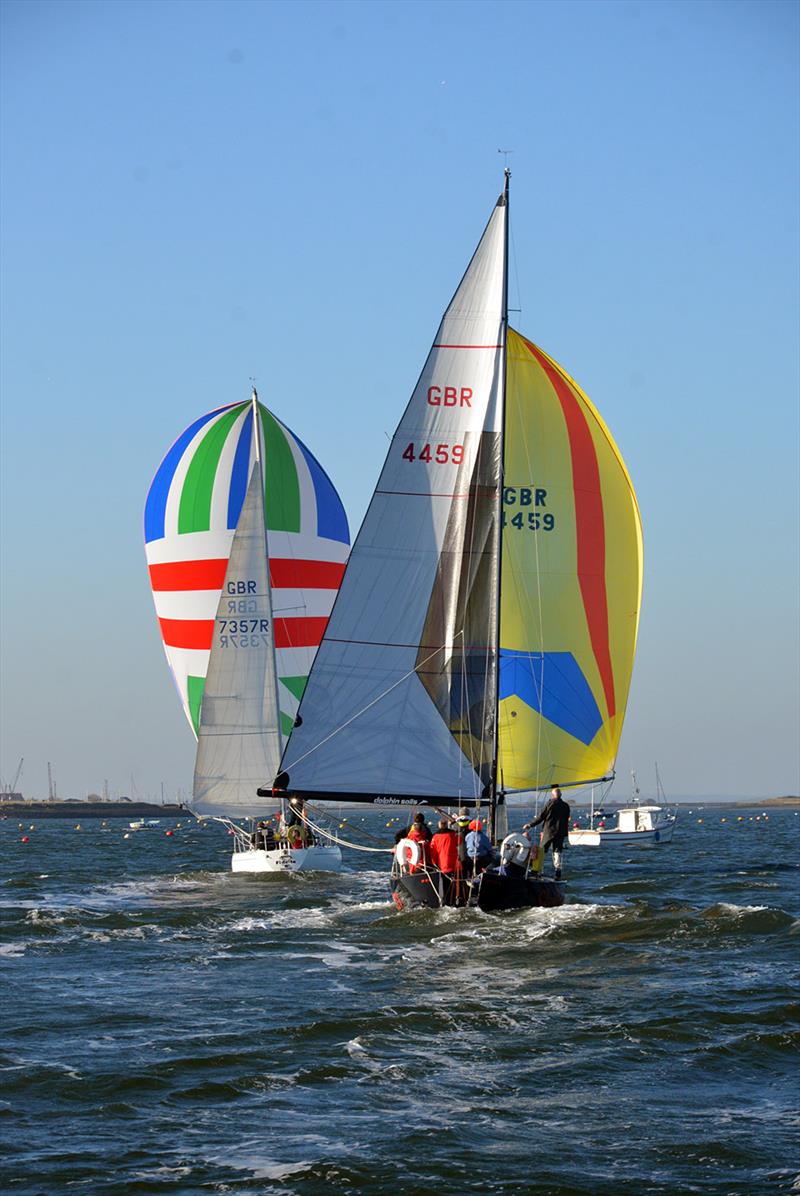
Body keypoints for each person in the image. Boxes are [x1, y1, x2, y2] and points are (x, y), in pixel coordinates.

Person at [524, 786, 571, 879]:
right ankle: (558, 871)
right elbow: (566, 819)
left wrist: (530, 825)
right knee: (557, 851)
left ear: (552, 795)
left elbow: (541, 817)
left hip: (549, 832)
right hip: (560, 833)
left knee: (541, 850)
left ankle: (536, 870)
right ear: (560, 795)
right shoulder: (566, 806)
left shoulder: (550, 804)